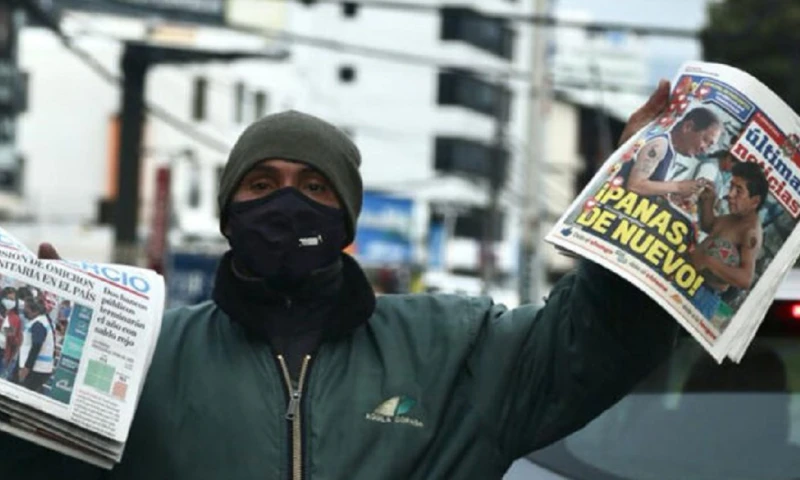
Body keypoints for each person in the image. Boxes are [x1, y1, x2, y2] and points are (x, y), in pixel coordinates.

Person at [0, 81, 679, 479]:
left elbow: (593, 342)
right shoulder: (146, 354)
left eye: (314, 187)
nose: (286, 205)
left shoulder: (455, 348)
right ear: (230, 216)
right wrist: (30, 378)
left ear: (346, 219)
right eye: (262, 185)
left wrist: (638, 205)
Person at [690, 162, 768, 320]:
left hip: (703, 295)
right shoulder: (737, 215)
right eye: (731, 187)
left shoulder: (750, 231)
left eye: (739, 191)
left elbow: (745, 279)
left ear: (755, 201)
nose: (730, 194)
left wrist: (708, 261)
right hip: (689, 282)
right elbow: (711, 227)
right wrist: (708, 202)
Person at [622, 106, 722, 199]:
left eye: (709, 146)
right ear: (688, 127)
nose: (704, 149)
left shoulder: (670, 149)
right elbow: (634, 186)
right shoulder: (660, 144)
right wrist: (678, 187)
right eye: (705, 140)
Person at [15, 296, 55, 393]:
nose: (24, 310)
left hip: (36, 368)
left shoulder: (39, 324)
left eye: (26, 308)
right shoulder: (42, 321)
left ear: (35, 311)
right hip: (39, 368)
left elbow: (36, 345)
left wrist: (26, 368)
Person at [0, 287, 21, 377]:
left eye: (12, 299)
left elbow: (14, 338)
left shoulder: (15, 318)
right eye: (8, 299)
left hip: (4, 352)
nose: (9, 301)